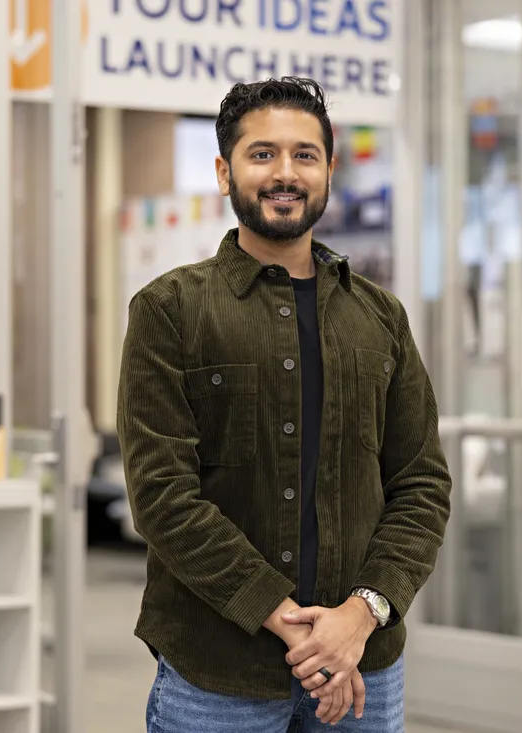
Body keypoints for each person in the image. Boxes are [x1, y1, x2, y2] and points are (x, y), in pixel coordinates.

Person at [116, 77, 452, 732]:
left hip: (365, 664)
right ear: (224, 171)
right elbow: (162, 495)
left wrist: (358, 615)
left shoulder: (380, 317)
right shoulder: (169, 311)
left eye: (303, 155)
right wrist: (293, 622)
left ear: (329, 168)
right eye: (261, 154)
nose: (284, 173)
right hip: (218, 670)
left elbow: (421, 484)